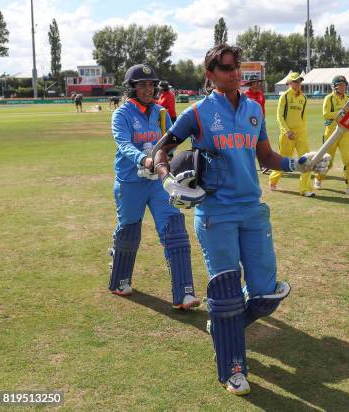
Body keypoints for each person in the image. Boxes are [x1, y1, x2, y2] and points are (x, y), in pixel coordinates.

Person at [150, 44, 330, 395]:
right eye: (227, 68)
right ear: (211, 74)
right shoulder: (199, 113)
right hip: (216, 213)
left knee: (265, 293)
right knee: (226, 293)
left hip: (253, 211)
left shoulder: (253, 110)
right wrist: (166, 177)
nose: (235, 74)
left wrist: (299, 164)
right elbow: (162, 148)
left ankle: (222, 322)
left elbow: (266, 156)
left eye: (238, 68)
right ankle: (232, 368)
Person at [108, 63, 200, 310]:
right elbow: (124, 144)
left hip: (159, 183)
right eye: (142, 85)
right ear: (131, 88)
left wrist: (168, 159)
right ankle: (120, 280)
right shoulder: (122, 114)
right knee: (129, 232)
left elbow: (170, 144)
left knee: (175, 230)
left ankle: (184, 293)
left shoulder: (161, 113)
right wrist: (144, 159)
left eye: (151, 85)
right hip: (130, 183)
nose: (148, 89)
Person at [268, 72, 314, 196]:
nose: (298, 84)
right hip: (287, 134)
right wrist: (287, 131)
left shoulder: (303, 98)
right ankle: (273, 179)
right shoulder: (285, 97)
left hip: (300, 134)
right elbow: (279, 116)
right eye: (295, 81)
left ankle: (304, 189)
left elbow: (303, 118)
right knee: (284, 161)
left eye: (299, 81)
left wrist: (303, 132)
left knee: (307, 160)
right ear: (289, 83)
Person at [314, 75, 349, 196]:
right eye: (340, 85)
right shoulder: (329, 98)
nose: (343, 87)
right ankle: (318, 178)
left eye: (344, 85)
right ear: (334, 87)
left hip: (345, 133)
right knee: (328, 161)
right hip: (331, 133)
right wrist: (340, 113)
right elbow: (325, 114)